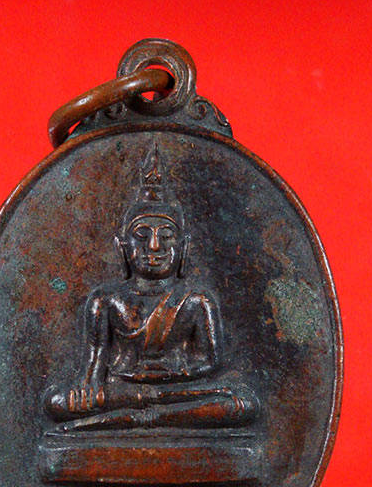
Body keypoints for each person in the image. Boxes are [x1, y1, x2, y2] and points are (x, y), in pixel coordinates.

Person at [45, 144, 257, 430]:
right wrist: (89, 387)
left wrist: (174, 373)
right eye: (142, 236)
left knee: (242, 403)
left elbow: (210, 362)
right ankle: (151, 413)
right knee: (57, 402)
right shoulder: (106, 300)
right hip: (122, 389)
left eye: (166, 236)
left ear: (184, 248)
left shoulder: (196, 301)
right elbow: (93, 369)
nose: (154, 246)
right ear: (122, 248)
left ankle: (151, 416)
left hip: (176, 390)